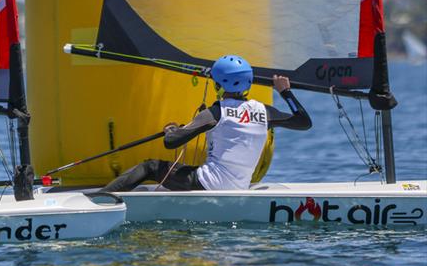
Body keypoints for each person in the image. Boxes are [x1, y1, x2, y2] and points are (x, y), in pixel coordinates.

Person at [100, 55, 311, 193]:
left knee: (150, 167)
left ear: (218, 84)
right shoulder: (264, 112)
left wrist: (171, 129)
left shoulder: (216, 112)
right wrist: (285, 91)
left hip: (207, 184)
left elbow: (171, 142)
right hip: (239, 186)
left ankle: (102, 200)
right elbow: (303, 122)